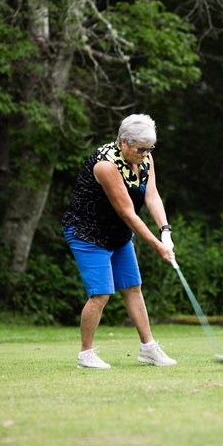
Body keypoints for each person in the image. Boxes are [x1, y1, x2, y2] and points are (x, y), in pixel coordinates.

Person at [62, 113, 177, 369]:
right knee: (101, 294)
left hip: (118, 233)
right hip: (87, 233)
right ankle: (85, 355)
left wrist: (165, 232)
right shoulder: (106, 165)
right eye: (141, 149)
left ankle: (148, 348)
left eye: (150, 149)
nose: (145, 154)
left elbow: (152, 196)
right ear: (124, 142)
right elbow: (127, 212)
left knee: (133, 286)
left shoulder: (145, 159)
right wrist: (156, 246)